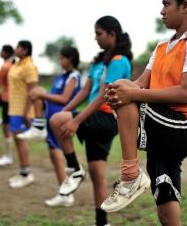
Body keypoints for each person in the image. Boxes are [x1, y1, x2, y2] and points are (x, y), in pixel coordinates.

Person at [101, 0, 187, 225]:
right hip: (160, 126)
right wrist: (118, 92)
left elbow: (185, 93)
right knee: (165, 193)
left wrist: (128, 93)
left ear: (185, 7)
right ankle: (139, 180)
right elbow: (140, 84)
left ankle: (130, 175)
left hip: (183, 125)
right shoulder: (163, 46)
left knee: (126, 90)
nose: (161, 11)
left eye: (166, 4)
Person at [50, 16, 133, 226]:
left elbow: (103, 96)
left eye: (99, 33)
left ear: (112, 34)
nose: (95, 38)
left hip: (107, 118)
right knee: (97, 174)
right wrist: (67, 110)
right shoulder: (99, 61)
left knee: (57, 120)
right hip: (94, 116)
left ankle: (74, 169)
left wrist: (75, 121)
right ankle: (102, 222)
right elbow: (86, 91)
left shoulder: (118, 61)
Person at [17, 46, 82, 207]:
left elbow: (64, 99)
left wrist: (42, 94)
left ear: (70, 59)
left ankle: (65, 194)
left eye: (62, 58)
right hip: (51, 117)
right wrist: (42, 95)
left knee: (58, 156)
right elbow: (51, 98)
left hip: (60, 120)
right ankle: (38, 125)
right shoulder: (61, 76)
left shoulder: (74, 76)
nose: (60, 61)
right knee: (54, 156)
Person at [7, 40, 38, 188]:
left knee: (21, 140)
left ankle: (27, 174)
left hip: (22, 110)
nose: (16, 48)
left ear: (25, 50)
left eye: (19, 47)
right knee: (16, 140)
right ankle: (22, 171)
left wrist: (26, 112)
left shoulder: (29, 66)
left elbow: (33, 91)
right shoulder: (17, 64)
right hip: (14, 108)